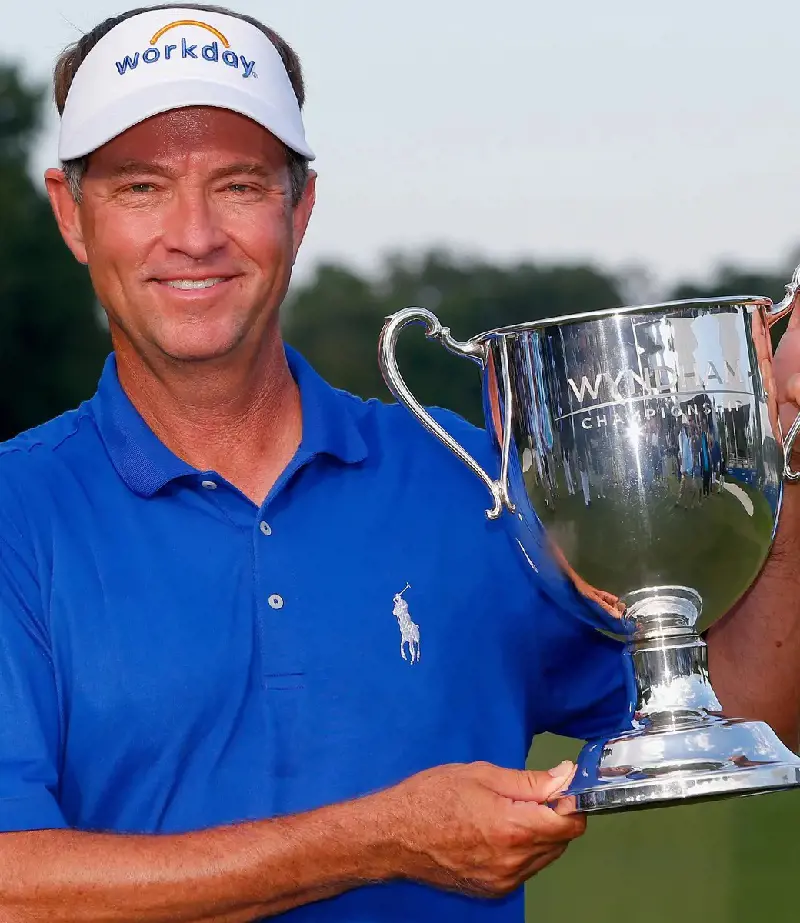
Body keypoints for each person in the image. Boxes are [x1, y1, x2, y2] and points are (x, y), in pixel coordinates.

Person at [0, 6, 798, 923]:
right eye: (141, 188)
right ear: (71, 213)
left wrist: (791, 444)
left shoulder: (462, 478)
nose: (194, 234)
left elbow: (744, 713)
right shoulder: (16, 515)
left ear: (300, 207)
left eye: (239, 186)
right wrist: (378, 837)